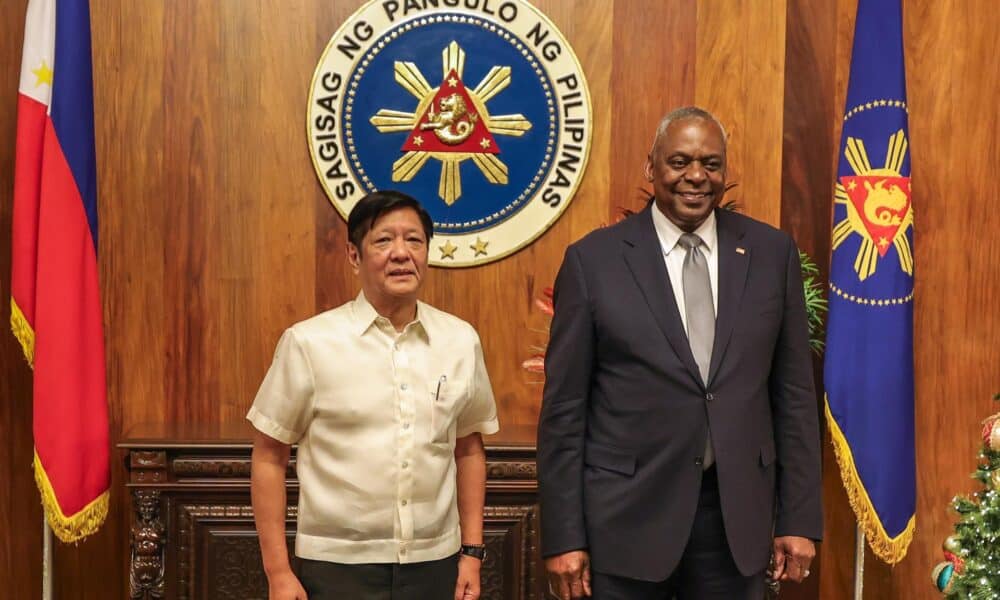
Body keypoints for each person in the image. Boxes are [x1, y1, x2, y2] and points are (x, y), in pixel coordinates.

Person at [537, 107, 822, 599]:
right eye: (680, 161)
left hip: (735, 525)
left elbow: (794, 396)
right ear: (651, 168)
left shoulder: (771, 255)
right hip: (625, 522)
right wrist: (563, 536)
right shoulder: (594, 262)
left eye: (711, 164)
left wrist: (798, 518)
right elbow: (564, 411)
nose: (696, 176)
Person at [248, 190, 499, 600]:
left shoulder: (459, 340)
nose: (402, 253)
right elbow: (269, 455)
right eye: (384, 240)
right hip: (336, 568)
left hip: (436, 564)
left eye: (414, 240)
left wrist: (471, 553)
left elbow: (469, 449)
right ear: (354, 256)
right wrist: (277, 571)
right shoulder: (309, 343)